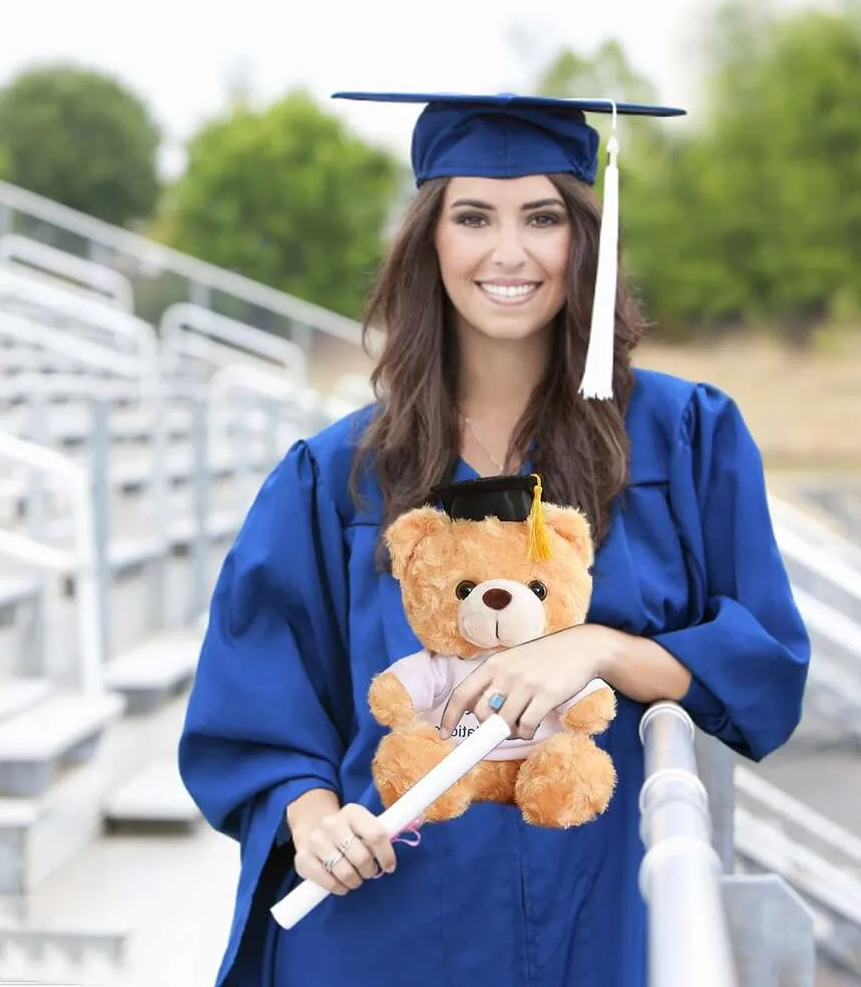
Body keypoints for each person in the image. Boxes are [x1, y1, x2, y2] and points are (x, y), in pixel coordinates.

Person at [178, 90, 811, 987]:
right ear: (430, 240)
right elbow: (258, 710)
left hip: (597, 925)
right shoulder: (337, 476)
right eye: (472, 216)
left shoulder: (685, 437)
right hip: (388, 926)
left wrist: (599, 651)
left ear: (582, 239)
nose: (508, 253)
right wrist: (316, 820)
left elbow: (766, 664)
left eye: (542, 218)